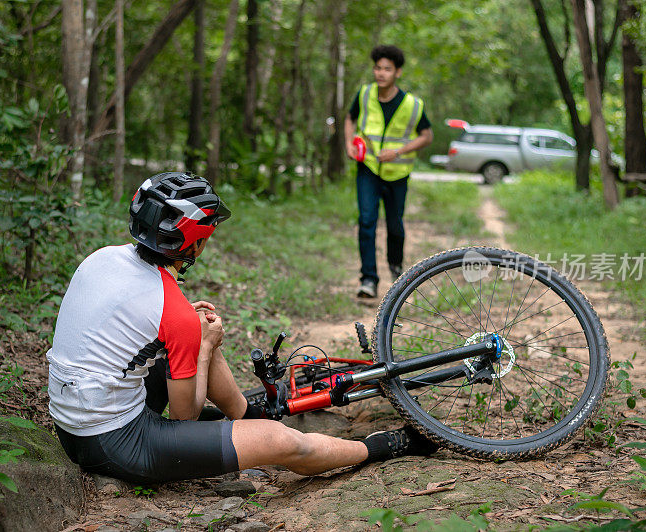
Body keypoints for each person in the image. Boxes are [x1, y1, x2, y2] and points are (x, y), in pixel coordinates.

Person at [46, 171, 435, 485]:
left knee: (199, 333)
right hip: (112, 442)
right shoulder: (172, 310)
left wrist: (192, 333)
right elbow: (185, 417)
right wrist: (200, 344)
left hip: (74, 422)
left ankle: (246, 417)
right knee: (284, 443)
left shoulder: (103, 258)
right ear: (194, 241)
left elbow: (127, 324)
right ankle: (384, 445)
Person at [344, 45, 433, 298]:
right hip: (368, 169)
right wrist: (349, 142)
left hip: (397, 174)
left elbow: (427, 136)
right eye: (378, 68)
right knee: (366, 221)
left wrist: (399, 151)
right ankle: (368, 279)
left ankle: (397, 273)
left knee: (395, 226)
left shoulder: (412, 104)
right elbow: (350, 119)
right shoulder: (364, 94)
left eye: (387, 69)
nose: (381, 73)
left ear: (397, 73)